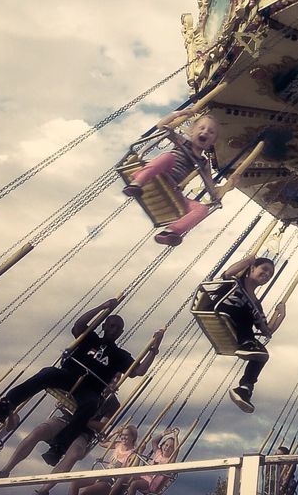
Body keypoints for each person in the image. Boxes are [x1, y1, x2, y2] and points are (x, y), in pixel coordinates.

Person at [0, 299, 161, 466]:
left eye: (118, 329)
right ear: (104, 326)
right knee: (47, 373)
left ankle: (59, 447)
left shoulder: (120, 355)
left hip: (90, 388)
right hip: (69, 376)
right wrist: (102, 307)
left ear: (121, 333)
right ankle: (6, 405)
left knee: (91, 404)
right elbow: (78, 325)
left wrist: (153, 349)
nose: (114, 330)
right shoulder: (90, 337)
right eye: (111, 326)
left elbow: (139, 371)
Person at [123, 109, 229, 246]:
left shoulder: (203, 162)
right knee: (168, 157)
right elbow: (162, 126)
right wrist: (178, 115)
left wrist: (226, 188)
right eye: (202, 128)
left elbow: (210, 186)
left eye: (211, 132)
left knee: (202, 209)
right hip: (157, 177)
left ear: (213, 141)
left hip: (173, 190)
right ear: (191, 132)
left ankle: (170, 232)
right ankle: (137, 183)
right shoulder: (182, 142)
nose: (206, 132)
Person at [0, 380, 124, 482]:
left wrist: (82, 419)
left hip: (84, 432)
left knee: (74, 454)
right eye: (113, 378)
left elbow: (103, 426)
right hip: (65, 420)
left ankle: (44, 489)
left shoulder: (112, 403)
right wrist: (64, 404)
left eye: (117, 379)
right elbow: (68, 400)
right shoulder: (87, 388)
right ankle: (5, 470)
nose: (114, 381)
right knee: (38, 431)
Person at [216, 255, 287, 414]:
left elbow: (266, 330)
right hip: (224, 316)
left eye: (271, 273)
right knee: (245, 309)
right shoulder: (234, 283)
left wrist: (281, 315)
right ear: (253, 268)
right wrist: (247, 261)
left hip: (240, 333)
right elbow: (227, 273)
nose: (267, 275)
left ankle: (244, 389)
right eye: (265, 269)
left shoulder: (256, 304)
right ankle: (246, 344)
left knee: (263, 355)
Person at [67, 424, 140, 495]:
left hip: (110, 481)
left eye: (126, 435)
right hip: (103, 474)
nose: (123, 437)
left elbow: (131, 472)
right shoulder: (118, 445)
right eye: (122, 435)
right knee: (75, 483)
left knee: (85, 492)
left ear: (133, 437)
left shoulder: (132, 454)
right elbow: (102, 443)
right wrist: (114, 433)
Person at [111, 431, 179, 495]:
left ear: (173, 450)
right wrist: (163, 433)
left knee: (134, 484)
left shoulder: (169, 461)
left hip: (151, 484)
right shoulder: (158, 453)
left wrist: (176, 437)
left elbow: (176, 451)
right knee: (123, 478)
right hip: (143, 476)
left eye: (171, 447)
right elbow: (154, 441)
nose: (167, 448)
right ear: (163, 445)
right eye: (166, 445)